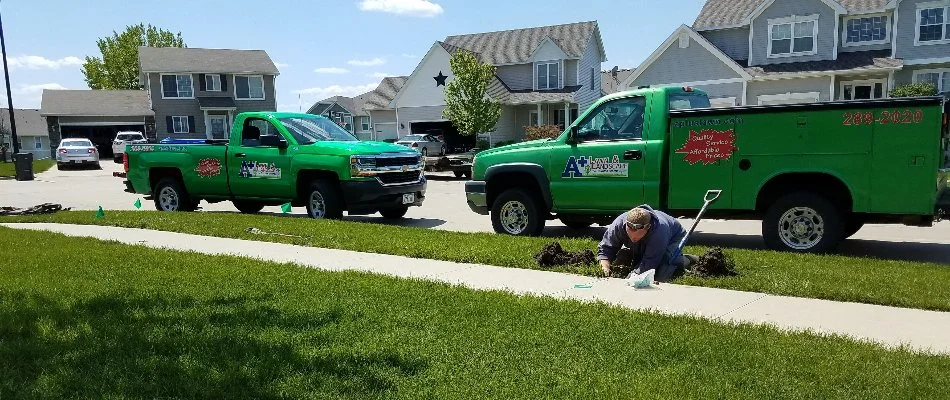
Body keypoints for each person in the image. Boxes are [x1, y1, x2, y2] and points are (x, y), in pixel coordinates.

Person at [597, 205, 696, 282]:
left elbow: (650, 263)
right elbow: (606, 249)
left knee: (661, 273)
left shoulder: (659, 231)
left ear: (647, 227)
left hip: (673, 237)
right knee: (635, 259)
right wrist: (605, 266)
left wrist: (630, 279)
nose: (633, 239)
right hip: (651, 241)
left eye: (636, 237)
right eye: (630, 235)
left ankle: (686, 259)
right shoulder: (618, 225)